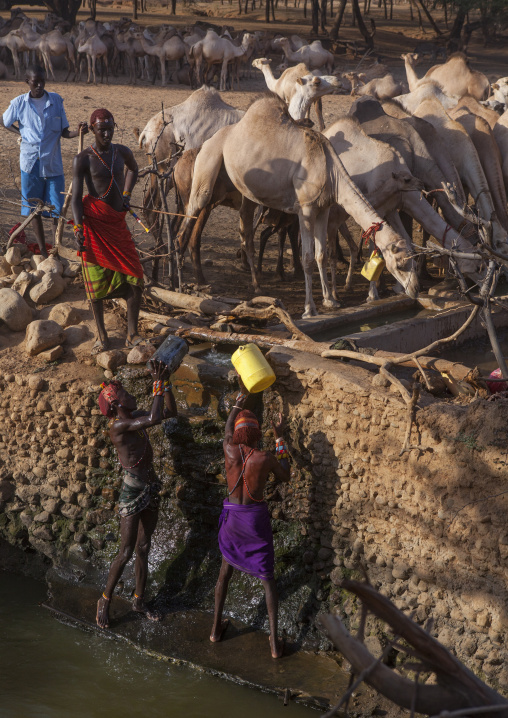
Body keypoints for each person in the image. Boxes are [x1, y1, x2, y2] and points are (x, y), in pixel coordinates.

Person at [96, 359, 177, 629]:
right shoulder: (118, 428)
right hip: (132, 492)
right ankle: (105, 599)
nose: (130, 394)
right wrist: (156, 381)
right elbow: (154, 418)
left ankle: (139, 601)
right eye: (125, 393)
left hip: (150, 487)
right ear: (118, 404)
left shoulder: (136, 418)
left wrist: (166, 383)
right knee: (127, 551)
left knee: (144, 547)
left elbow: (169, 411)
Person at [211, 383, 290, 658]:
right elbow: (286, 475)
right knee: (267, 579)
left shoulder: (228, 450)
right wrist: (280, 439)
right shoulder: (265, 457)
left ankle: (214, 630)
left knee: (225, 573)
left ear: (237, 434)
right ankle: (273, 645)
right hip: (254, 522)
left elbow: (227, 429)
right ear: (257, 433)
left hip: (233, 519)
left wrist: (238, 401)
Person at [71, 107, 143, 354]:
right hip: (93, 225)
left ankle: (132, 334)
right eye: (102, 130)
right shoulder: (83, 159)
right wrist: (78, 228)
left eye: (110, 129)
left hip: (117, 223)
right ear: (92, 130)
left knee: (136, 276)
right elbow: (75, 199)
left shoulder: (122, 152)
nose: (107, 134)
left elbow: (134, 169)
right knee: (95, 283)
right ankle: (101, 336)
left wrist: (126, 194)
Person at [2, 64, 87, 257]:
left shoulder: (55, 100)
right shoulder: (19, 103)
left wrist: (78, 132)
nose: (39, 85)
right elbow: (4, 121)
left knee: (57, 209)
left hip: (52, 163)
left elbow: (64, 131)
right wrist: (21, 133)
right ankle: (43, 250)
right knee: (35, 209)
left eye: (42, 81)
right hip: (30, 164)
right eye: (35, 82)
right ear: (27, 82)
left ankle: (57, 247)